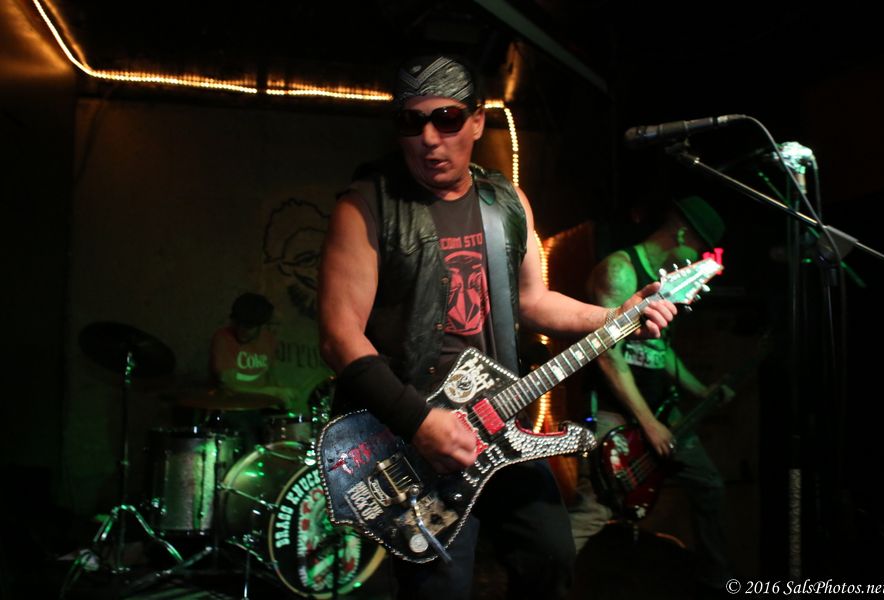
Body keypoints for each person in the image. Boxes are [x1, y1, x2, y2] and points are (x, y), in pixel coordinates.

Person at [317, 54, 677, 600]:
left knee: (552, 559)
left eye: (446, 119)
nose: (429, 138)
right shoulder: (367, 206)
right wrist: (419, 421)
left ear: (477, 121)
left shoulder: (505, 202)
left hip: (499, 422)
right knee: (440, 589)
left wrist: (616, 317)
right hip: (413, 436)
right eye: (412, 122)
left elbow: (533, 301)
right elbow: (338, 336)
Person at [577, 195, 734, 593]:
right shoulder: (620, 270)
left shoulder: (668, 281)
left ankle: (716, 582)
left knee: (709, 484)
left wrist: (702, 391)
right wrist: (647, 424)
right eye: (699, 248)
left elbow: (659, 351)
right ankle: (544, 586)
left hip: (662, 411)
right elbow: (609, 356)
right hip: (614, 412)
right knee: (595, 510)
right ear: (681, 234)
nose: (700, 259)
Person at [209, 292, 299, 445]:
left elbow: (271, 378)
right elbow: (230, 385)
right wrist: (271, 392)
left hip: (260, 409)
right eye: (238, 324)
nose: (241, 330)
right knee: (246, 428)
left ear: (261, 325)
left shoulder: (268, 340)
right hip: (233, 411)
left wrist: (282, 395)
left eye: (248, 327)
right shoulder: (222, 338)